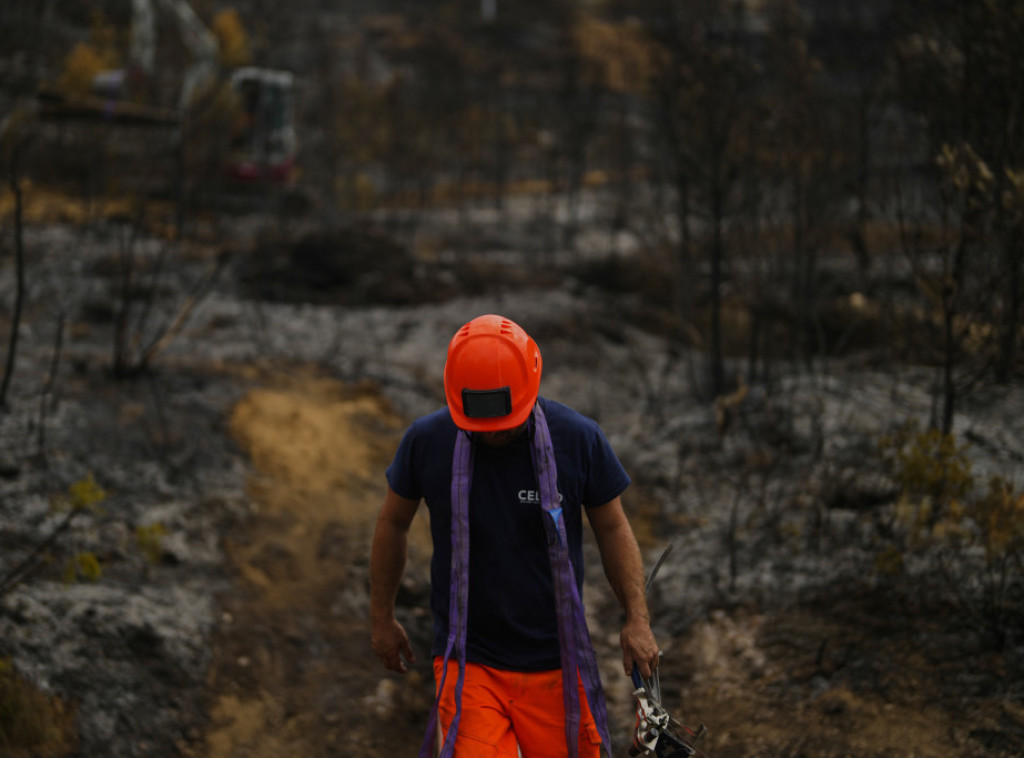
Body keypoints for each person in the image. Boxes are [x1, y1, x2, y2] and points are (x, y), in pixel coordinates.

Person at [370, 314, 659, 758]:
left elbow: (613, 526)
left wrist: (637, 617)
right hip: (469, 662)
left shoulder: (578, 440)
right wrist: (381, 617)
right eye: (478, 425)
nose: (492, 434)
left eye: (504, 422)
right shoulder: (427, 441)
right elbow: (392, 523)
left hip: (558, 663)